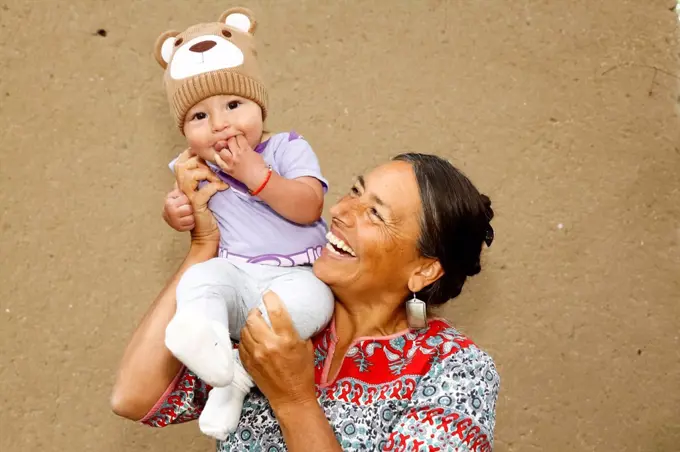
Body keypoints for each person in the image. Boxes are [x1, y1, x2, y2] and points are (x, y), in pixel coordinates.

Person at [112, 150, 500, 451]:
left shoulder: (456, 370)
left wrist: (294, 400)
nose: (340, 211)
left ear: (424, 270)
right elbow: (135, 397)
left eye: (375, 213)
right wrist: (203, 246)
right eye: (354, 191)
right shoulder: (278, 307)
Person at [150, 7, 334, 439]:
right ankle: (208, 342)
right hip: (236, 274)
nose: (220, 124)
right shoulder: (191, 165)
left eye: (234, 105)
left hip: (294, 276)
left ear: (259, 106)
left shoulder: (287, 148)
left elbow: (308, 206)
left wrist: (256, 174)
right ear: (184, 130)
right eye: (199, 116)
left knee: (316, 302)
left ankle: (233, 377)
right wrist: (176, 210)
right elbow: (188, 208)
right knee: (200, 281)